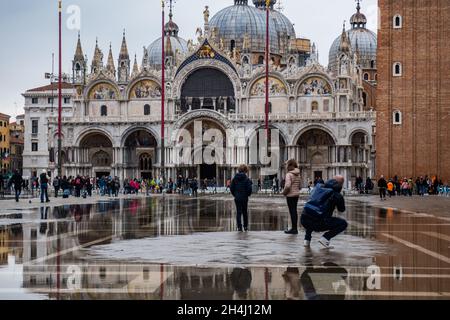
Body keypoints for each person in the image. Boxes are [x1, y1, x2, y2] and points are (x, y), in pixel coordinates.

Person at [300, 176, 347, 248]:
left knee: (312, 212)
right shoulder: (337, 194)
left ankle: (307, 240)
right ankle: (325, 238)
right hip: (319, 223)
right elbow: (341, 209)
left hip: (303, 219)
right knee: (343, 223)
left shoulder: (318, 187)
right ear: (341, 184)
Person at [230, 165, 253, 232]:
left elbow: (231, 188)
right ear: (245, 171)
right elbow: (249, 189)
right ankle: (245, 226)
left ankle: (239, 227)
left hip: (237, 198)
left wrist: (235, 195)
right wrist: (247, 195)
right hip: (244, 198)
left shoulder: (234, 178)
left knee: (238, 212)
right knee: (245, 212)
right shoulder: (246, 179)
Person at [283, 159, 302, 235]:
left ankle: (293, 229)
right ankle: (295, 228)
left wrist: (284, 193)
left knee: (292, 211)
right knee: (294, 211)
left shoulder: (289, 174)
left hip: (290, 195)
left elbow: (287, 185)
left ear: (289, 165)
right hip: (296, 194)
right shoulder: (298, 174)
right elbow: (300, 186)